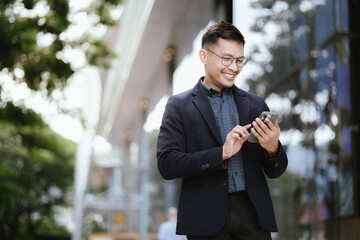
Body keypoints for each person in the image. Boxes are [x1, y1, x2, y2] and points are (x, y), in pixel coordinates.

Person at [157, 21, 288, 240]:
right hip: (204, 216)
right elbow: (167, 164)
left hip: (253, 215)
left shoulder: (256, 104)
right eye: (226, 59)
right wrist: (222, 153)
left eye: (239, 60)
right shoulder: (179, 106)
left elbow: (276, 170)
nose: (234, 67)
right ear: (204, 56)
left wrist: (273, 148)